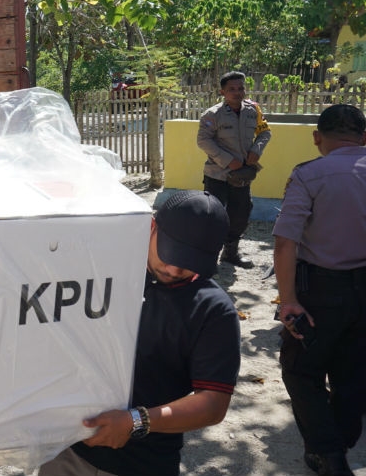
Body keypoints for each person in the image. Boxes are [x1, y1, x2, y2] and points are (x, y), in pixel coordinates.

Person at [38, 190, 241, 476]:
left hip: (144, 464)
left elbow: (213, 404)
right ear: (151, 227)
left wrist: (136, 421)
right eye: (170, 252)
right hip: (66, 451)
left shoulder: (213, 311)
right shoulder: (102, 270)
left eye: (190, 261)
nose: (174, 267)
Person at [272, 104, 366, 476]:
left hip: (321, 293)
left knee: (301, 371)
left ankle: (328, 455)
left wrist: (289, 300)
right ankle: (342, 440)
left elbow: (284, 242)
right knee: (353, 370)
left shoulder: (309, 175)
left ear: (317, 138)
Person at [197, 70, 272, 268]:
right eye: (232, 89)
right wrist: (228, 160)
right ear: (222, 92)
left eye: (241, 88)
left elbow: (265, 132)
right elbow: (203, 140)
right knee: (214, 216)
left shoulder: (253, 110)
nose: (238, 92)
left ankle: (230, 254)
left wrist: (257, 150)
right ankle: (208, 259)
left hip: (242, 175)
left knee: (240, 214)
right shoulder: (212, 115)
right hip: (217, 174)